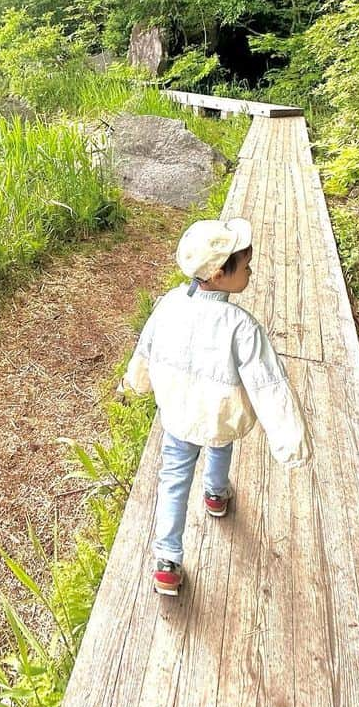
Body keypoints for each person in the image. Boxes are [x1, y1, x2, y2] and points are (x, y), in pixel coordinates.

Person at [122, 217, 310, 596]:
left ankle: (167, 560)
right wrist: (290, 442)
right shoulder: (242, 326)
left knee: (173, 480)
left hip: (177, 414)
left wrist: (135, 382)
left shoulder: (169, 304)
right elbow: (268, 385)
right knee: (220, 443)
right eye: (245, 266)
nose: (251, 271)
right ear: (220, 274)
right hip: (218, 414)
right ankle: (215, 493)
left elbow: (146, 347)